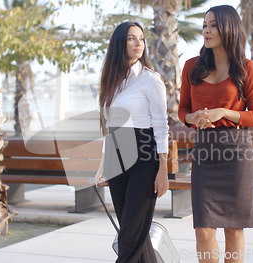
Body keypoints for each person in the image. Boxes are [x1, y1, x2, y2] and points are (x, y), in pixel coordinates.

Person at [178, 5, 253, 263]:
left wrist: (224, 113)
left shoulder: (246, 68)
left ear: (228, 28)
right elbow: (182, 108)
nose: (206, 29)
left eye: (213, 24)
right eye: (205, 24)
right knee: (203, 230)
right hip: (204, 153)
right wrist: (191, 118)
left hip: (237, 153)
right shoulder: (191, 67)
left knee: (233, 228)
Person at [94, 21, 170, 263]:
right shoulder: (111, 81)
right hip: (117, 153)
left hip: (144, 154)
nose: (139, 43)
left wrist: (163, 169)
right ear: (120, 43)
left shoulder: (151, 80)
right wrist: (102, 165)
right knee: (133, 231)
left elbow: (161, 126)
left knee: (129, 234)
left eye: (141, 38)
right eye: (131, 38)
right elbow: (109, 126)